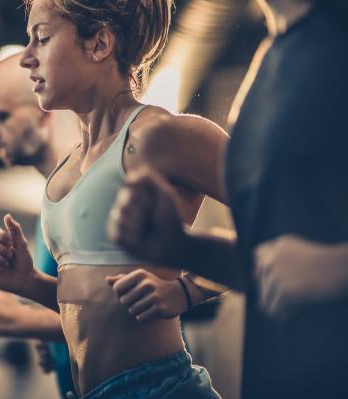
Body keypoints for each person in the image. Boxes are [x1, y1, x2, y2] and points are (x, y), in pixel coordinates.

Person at [0, 0, 229, 397]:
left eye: (41, 39)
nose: (26, 59)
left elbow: (274, 221)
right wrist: (29, 283)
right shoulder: (65, 169)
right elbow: (93, 308)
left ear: (99, 44)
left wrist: (185, 291)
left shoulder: (155, 136)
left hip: (158, 388)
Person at [108, 0, 348, 397]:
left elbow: (312, 269)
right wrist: (179, 246)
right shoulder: (274, 58)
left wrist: (336, 270)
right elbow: (272, 267)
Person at [0, 51, 77, 397]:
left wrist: (23, 321)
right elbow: (82, 305)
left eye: (0, 116)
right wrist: (54, 337)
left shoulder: (88, 191)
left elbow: (142, 315)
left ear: (43, 113)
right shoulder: (51, 205)